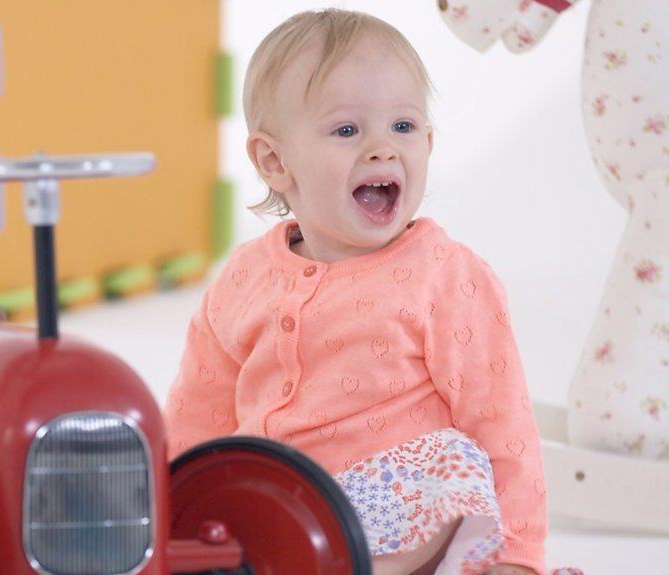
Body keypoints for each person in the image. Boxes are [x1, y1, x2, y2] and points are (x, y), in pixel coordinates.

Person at [163, 9, 546, 575]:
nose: (382, 149)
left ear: (428, 141)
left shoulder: (446, 275)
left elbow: (502, 423)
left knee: (454, 459)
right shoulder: (243, 279)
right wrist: (174, 518)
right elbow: (198, 415)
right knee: (227, 490)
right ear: (274, 161)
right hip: (277, 506)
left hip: (401, 515)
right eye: (347, 131)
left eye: (404, 127)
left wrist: (518, 556)